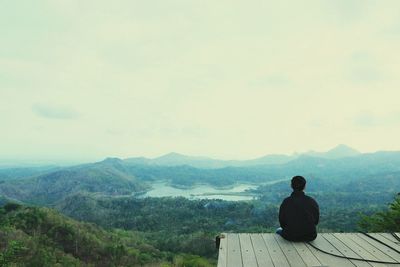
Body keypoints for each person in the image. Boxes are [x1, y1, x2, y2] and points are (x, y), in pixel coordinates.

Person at [276, 175, 319, 241]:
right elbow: (316, 221)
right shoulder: (312, 201)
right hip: (310, 236)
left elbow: (282, 222)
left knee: (278, 230)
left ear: (291, 186)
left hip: (290, 236)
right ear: (304, 187)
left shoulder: (286, 201)